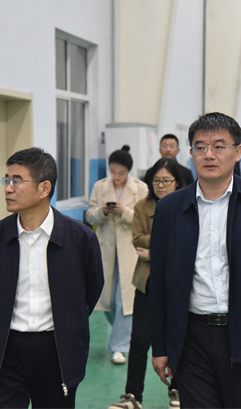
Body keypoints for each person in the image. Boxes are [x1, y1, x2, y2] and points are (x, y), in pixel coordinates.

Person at [149, 112, 241, 408]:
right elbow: (160, 282)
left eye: (219, 146)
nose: (209, 154)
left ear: (237, 152)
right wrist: (160, 347)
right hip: (191, 338)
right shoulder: (170, 208)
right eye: (200, 147)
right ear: (191, 153)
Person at [0, 147, 104, 408]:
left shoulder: (80, 238)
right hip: (6, 352)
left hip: (57, 352)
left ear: (44, 188)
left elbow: (92, 288)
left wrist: (69, 321)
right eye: (6, 179)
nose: (8, 188)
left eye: (17, 180)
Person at [109, 158, 184, 409]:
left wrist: (154, 251)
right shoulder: (142, 206)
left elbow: (187, 243)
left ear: (176, 182)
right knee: (140, 338)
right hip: (147, 282)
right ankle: (133, 396)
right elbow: (137, 240)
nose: (160, 185)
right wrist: (166, 243)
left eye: (166, 181)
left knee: (177, 337)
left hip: (177, 283)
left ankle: (176, 389)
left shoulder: (186, 205)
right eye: (156, 180)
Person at [86, 146, 148, 365]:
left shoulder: (140, 188)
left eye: (121, 173)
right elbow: (90, 216)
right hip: (106, 250)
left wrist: (124, 212)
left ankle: (118, 347)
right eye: (113, 171)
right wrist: (102, 211)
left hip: (130, 250)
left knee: (125, 301)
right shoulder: (100, 187)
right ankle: (123, 335)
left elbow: (143, 219)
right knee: (107, 300)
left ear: (128, 171)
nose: (116, 176)